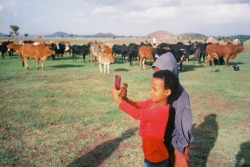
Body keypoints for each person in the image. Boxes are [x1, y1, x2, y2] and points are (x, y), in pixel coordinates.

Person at [120, 52, 194, 167]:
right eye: (156, 72)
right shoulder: (160, 94)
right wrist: (125, 99)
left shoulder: (181, 96)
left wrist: (180, 147)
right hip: (162, 143)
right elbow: (144, 108)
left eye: (162, 72)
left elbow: (184, 125)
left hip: (175, 143)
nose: (158, 75)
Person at [112, 70, 179, 167]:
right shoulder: (151, 102)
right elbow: (135, 105)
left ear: (167, 92)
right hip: (149, 157)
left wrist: (117, 100)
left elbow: (137, 113)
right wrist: (124, 98)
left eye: (155, 89)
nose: (151, 92)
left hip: (156, 161)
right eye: (151, 88)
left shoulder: (163, 111)